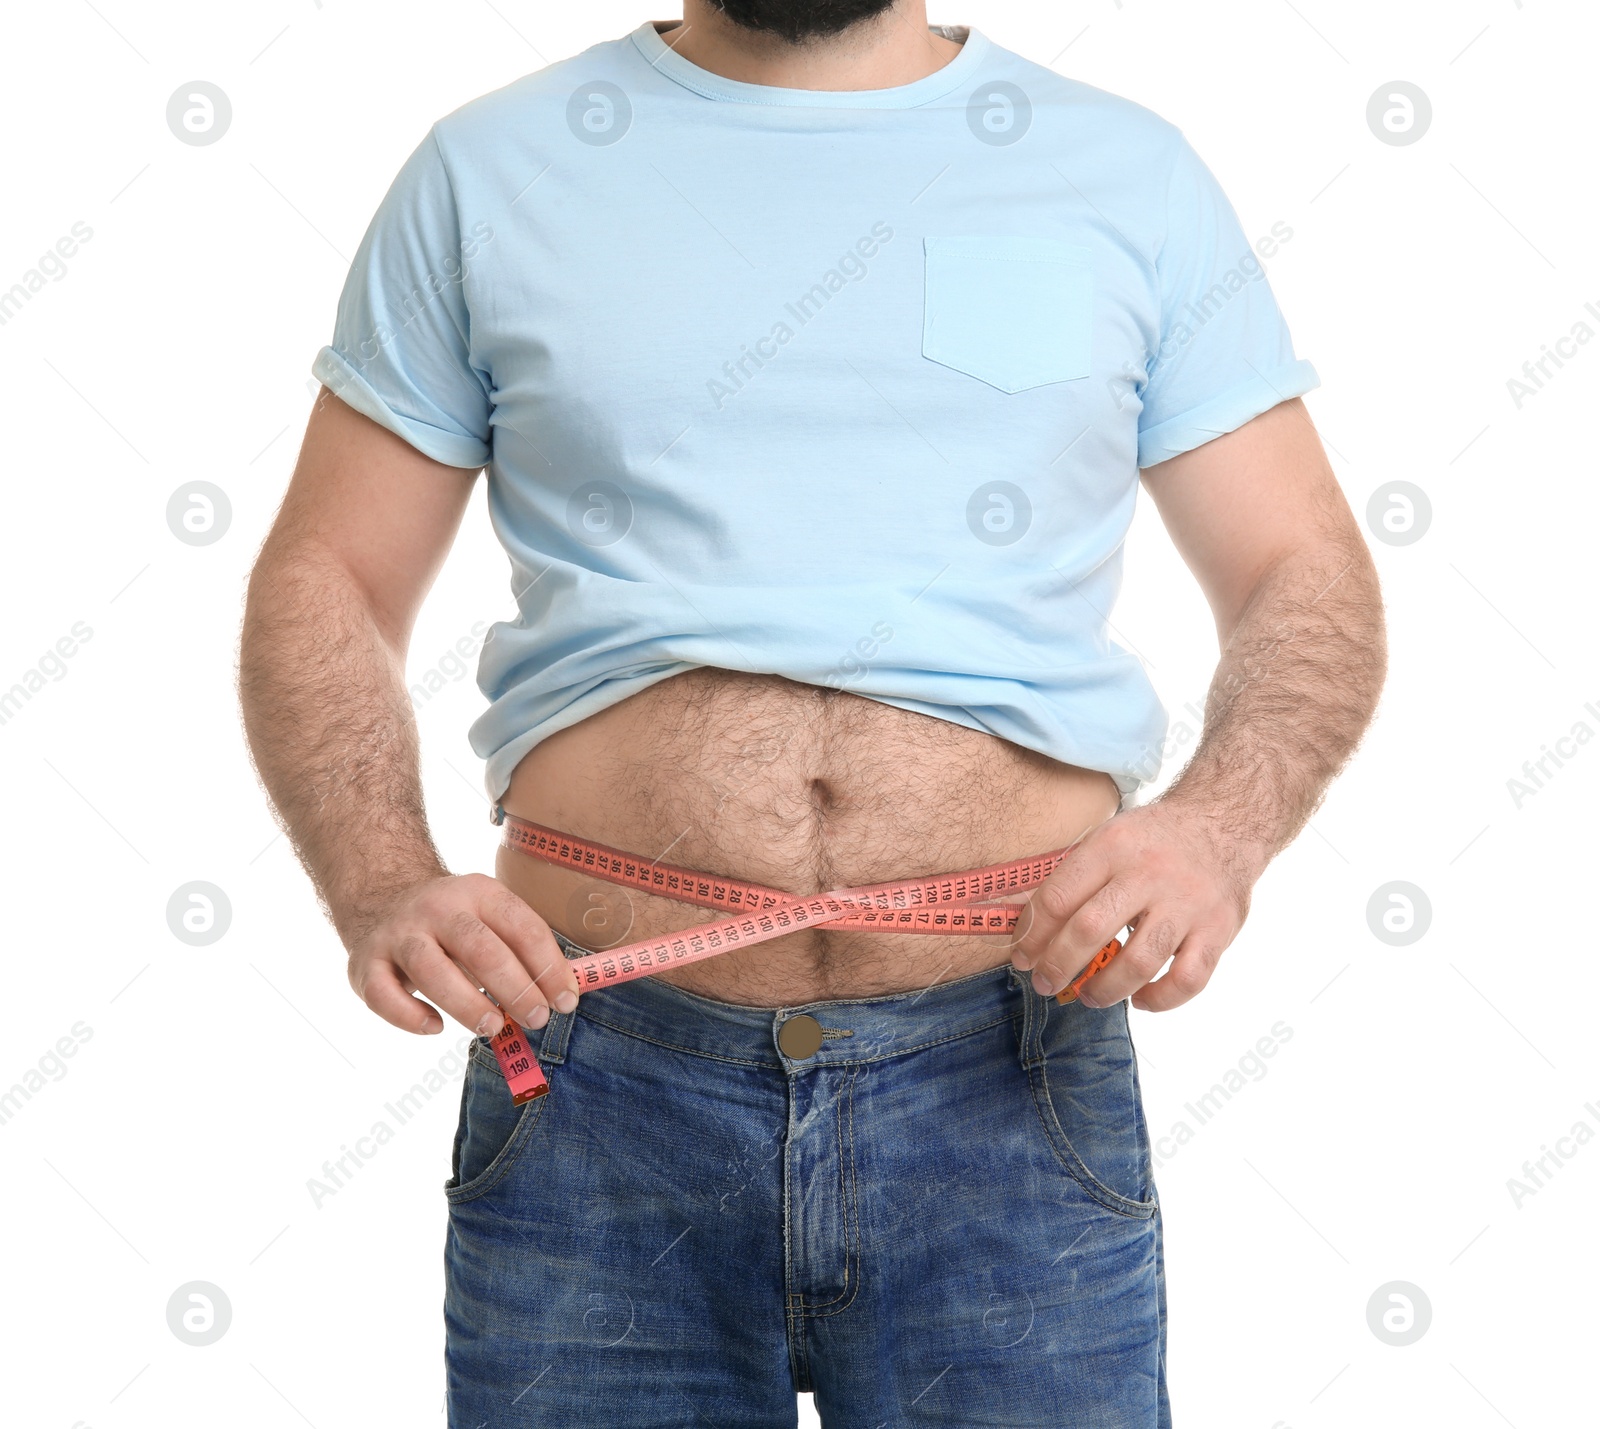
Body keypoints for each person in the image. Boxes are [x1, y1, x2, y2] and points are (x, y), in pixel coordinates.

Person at [239, 2, 1385, 1423]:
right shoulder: (491, 168)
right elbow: (328, 573)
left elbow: (1302, 573)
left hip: (1010, 1082)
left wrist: (1217, 831)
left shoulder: (1124, 174)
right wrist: (380, 881)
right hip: (597, 1087)